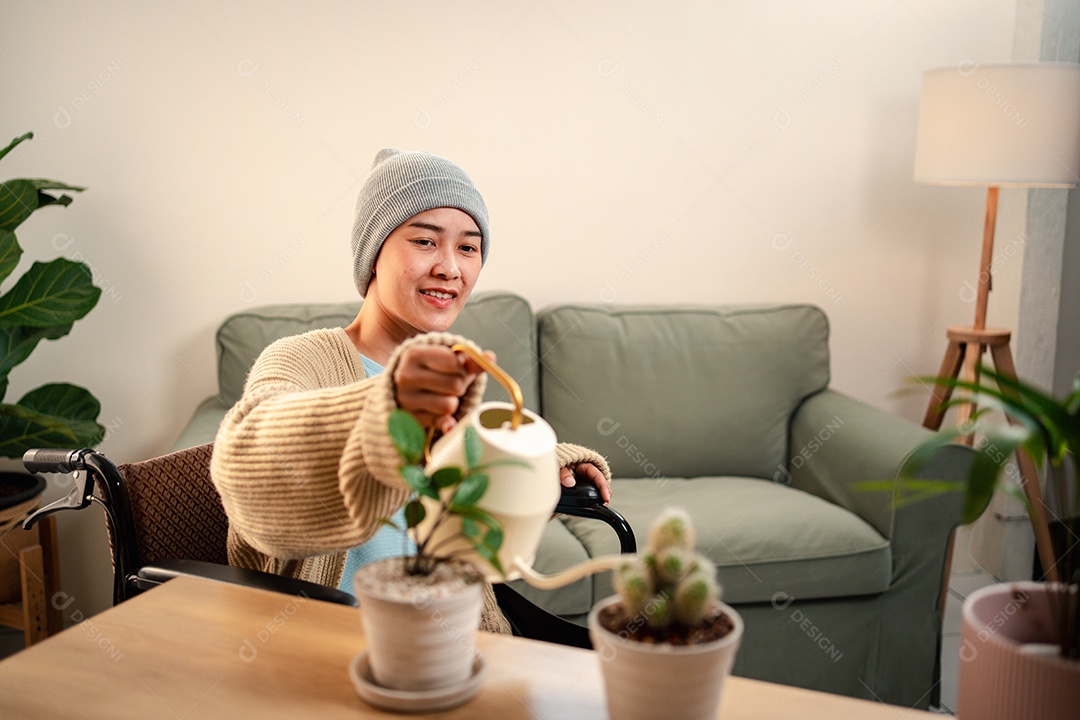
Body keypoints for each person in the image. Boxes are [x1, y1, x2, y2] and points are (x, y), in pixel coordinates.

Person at [211, 148, 612, 633]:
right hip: (332, 654)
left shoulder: (450, 376)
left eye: (468, 247)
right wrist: (388, 406)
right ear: (374, 254)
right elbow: (249, 471)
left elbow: (459, 502)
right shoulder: (302, 359)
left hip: (457, 642)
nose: (450, 268)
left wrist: (544, 460)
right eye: (425, 241)